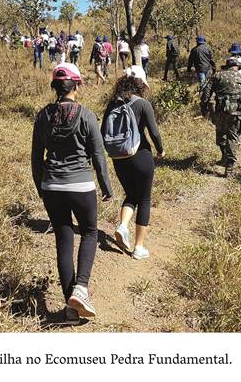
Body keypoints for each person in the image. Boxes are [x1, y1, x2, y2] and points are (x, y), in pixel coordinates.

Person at [31, 63, 114, 325]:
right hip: (81, 186)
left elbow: (36, 158)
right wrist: (106, 187)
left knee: (63, 240)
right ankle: (81, 288)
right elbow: (98, 155)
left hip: (52, 186)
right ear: (76, 85)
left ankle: (71, 309)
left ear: (56, 87)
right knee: (89, 232)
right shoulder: (87, 116)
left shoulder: (42, 116)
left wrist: (41, 187)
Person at [101, 66, 164, 260]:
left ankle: (122, 226)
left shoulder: (113, 103)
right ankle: (138, 247)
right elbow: (153, 132)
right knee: (144, 198)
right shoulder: (143, 104)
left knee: (131, 194)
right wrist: (160, 150)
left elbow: (103, 130)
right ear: (141, 84)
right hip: (141, 155)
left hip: (119, 157)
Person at [201, 56, 241, 177]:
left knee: (221, 134)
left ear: (227, 66)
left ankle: (224, 156)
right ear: (237, 67)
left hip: (220, 112)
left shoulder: (217, 76)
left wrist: (204, 108)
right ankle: (229, 167)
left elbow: (206, 94)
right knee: (233, 137)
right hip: (236, 113)